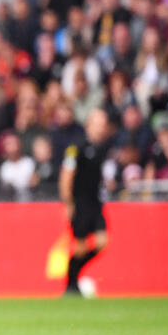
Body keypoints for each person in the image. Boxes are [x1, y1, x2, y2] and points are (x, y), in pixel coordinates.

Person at [59, 108, 112, 296]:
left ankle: (75, 278)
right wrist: (68, 203)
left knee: (102, 242)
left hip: (95, 203)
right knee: (80, 248)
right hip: (80, 203)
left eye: (103, 124)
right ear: (89, 124)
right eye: (98, 124)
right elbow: (66, 175)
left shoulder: (101, 148)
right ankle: (70, 284)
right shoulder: (77, 147)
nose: (101, 128)